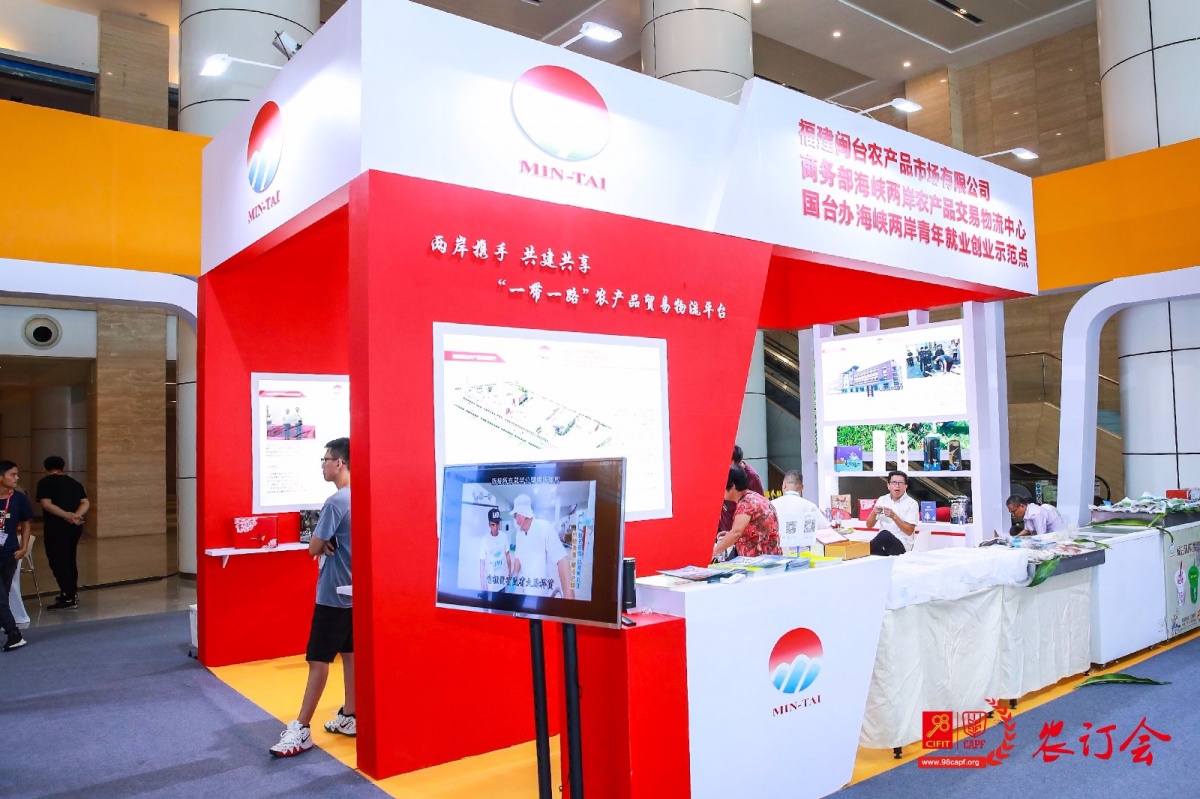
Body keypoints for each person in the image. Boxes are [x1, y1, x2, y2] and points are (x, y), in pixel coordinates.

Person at [270, 438, 354, 757]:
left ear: (339, 463)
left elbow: (313, 547)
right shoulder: (361, 496)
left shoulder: (336, 502)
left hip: (333, 593)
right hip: (356, 591)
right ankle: (351, 714)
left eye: (326, 459)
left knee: (318, 659)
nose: (323, 465)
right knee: (350, 653)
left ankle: (302, 727)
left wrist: (323, 542)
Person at [35, 456, 89, 611]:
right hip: (74, 527)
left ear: (46, 467)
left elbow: (46, 504)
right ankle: (70, 592)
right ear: (62, 467)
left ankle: (68, 597)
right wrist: (76, 516)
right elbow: (85, 502)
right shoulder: (74, 482)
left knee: (58, 561)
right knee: (70, 559)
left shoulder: (45, 482)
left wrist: (67, 515)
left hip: (56, 527)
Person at [509, 494, 573, 599]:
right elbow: (518, 557)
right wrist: (514, 575)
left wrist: (568, 595)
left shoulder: (544, 528)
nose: (515, 519)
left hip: (542, 594)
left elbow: (562, 559)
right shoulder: (519, 534)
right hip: (526, 590)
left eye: (515, 515)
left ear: (522, 515)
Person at [0, 460, 34, 652]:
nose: (16, 478)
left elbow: (27, 523)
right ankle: (14, 634)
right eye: (12, 475)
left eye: (17, 474)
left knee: (3, 595)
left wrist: (24, 547)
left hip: (9, 554)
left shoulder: (19, 499)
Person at [713, 465, 781, 560]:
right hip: (771, 557)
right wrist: (729, 535)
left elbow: (736, 532)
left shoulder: (746, 503)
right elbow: (756, 530)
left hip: (759, 561)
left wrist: (714, 552)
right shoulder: (755, 497)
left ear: (732, 486)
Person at [771, 470, 829, 554]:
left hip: (776, 554)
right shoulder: (809, 506)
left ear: (784, 485)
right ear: (802, 488)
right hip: (802, 555)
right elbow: (825, 528)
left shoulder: (771, 505)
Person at [866, 471, 919, 556]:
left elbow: (909, 531)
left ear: (906, 486)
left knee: (885, 534)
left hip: (902, 547)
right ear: (888, 485)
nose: (897, 486)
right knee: (880, 539)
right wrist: (874, 513)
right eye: (894, 482)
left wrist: (894, 516)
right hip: (883, 546)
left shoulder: (912, 504)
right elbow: (869, 525)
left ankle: (863, 551)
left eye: (900, 483)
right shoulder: (882, 499)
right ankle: (863, 551)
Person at [479, 507, 512, 593]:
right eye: (493, 524)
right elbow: (482, 563)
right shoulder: (484, 540)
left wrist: (509, 573)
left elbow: (508, 556)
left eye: (497, 524)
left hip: (502, 580)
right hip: (491, 583)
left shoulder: (504, 536)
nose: (496, 527)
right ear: (489, 525)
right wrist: (482, 584)